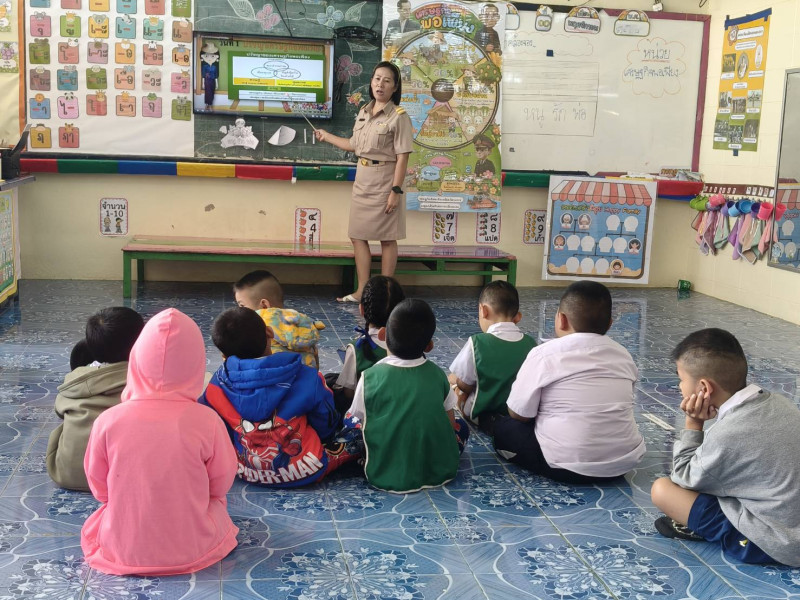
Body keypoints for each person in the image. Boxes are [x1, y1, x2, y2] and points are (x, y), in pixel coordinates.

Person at [81, 309, 239, 576]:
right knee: (217, 509)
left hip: (123, 547)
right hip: (193, 546)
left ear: (136, 360)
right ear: (196, 365)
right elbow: (220, 485)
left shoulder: (107, 420)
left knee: (103, 518)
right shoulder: (208, 420)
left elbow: (100, 491)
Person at [650, 329, 800, 567]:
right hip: (788, 517)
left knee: (662, 490)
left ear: (703, 388)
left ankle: (712, 532)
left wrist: (693, 423)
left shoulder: (728, 434)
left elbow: (683, 478)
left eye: (681, 379)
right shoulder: (780, 402)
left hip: (779, 544)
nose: (679, 386)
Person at [493, 281, 645, 483]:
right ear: (610, 324)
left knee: (504, 428)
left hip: (565, 466)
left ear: (561, 320)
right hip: (623, 463)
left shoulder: (544, 354)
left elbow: (518, 413)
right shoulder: (623, 354)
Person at [201, 307, 340, 487]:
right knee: (353, 435)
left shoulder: (216, 385)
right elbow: (325, 420)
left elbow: (212, 429)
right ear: (269, 332)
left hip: (244, 470)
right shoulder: (307, 376)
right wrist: (326, 436)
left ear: (224, 356)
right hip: (307, 469)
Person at [343, 299, 470, 492]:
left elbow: (356, 418)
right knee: (462, 427)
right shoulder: (438, 374)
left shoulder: (370, 377)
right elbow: (451, 423)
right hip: (440, 470)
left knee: (350, 424)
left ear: (383, 335)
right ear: (429, 346)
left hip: (385, 473)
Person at [315, 61, 413, 303]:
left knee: (387, 238)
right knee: (357, 235)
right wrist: (326, 136)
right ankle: (362, 291)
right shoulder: (363, 112)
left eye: (387, 81)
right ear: (371, 82)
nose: (380, 84)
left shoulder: (399, 117)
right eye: (377, 78)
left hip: (385, 181)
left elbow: (403, 157)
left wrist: (395, 191)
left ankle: (386, 294)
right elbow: (354, 144)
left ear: (394, 87)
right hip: (363, 180)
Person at [46, 307, 144, 491]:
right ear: (141, 342)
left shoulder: (75, 380)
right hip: (119, 477)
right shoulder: (144, 380)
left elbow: (59, 410)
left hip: (67, 474)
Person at [448, 281, 536, 433]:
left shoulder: (477, 342)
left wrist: (456, 382)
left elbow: (466, 386)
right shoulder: (531, 344)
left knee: (455, 386)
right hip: (516, 413)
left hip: (481, 414)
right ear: (518, 317)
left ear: (483, 310)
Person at [331, 275, 405, 416]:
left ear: (362, 309)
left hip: (369, 419)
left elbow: (349, 393)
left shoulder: (357, 348)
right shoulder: (412, 344)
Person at [233, 270, 325, 369]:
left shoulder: (257, 331)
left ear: (264, 306)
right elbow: (315, 363)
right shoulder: (303, 324)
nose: (240, 310)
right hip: (307, 377)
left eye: (242, 305)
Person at [200, 42, 219, 111]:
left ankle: (210, 104)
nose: (209, 58)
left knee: (212, 92)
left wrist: (217, 83)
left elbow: (216, 75)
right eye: (207, 56)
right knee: (208, 93)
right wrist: (202, 83)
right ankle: (208, 105)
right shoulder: (205, 66)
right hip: (207, 80)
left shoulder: (214, 67)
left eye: (212, 56)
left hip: (213, 80)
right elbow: (203, 74)